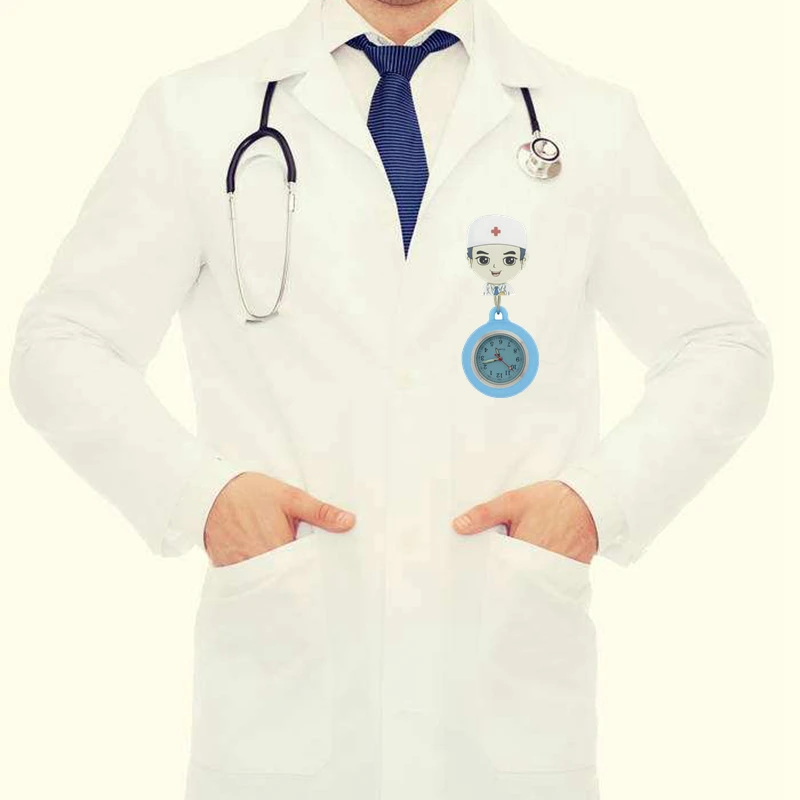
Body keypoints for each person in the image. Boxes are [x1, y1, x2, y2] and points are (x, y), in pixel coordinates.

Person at [8, 0, 774, 798]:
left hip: (505, 672)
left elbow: (721, 346)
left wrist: (597, 503)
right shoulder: (198, 112)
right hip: (284, 675)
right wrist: (200, 497)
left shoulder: (590, 121)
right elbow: (62, 343)